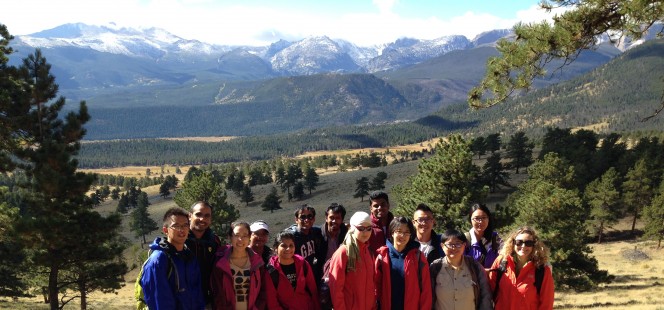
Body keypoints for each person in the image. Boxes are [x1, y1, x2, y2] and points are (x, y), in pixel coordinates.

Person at [140, 207, 205, 309]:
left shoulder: (189, 257)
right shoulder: (158, 260)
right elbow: (159, 301)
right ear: (166, 230)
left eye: (185, 225)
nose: (181, 230)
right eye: (176, 226)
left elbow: (198, 294)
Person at [489, 226, 554, 310]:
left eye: (528, 243)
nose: (523, 246)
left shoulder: (542, 270)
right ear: (513, 243)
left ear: (534, 245)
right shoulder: (501, 262)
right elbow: (489, 291)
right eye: (519, 242)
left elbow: (546, 303)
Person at [374, 217, 432, 310]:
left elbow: (426, 290)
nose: (402, 235)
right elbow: (376, 288)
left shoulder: (418, 257)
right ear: (392, 233)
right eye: (399, 231)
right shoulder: (382, 256)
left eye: (406, 232)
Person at [430, 229, 492, 310]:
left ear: (464, 245)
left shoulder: (474, 266)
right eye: (449, 244)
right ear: (442, 246)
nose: (454, 247)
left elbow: (485, 295)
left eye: (458, 244)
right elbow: (428, 296)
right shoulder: (435, 267)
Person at [210, 221, 265, 310]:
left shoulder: (257, 261)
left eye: (244, 236)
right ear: (230, 237)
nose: (240, 239)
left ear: (249, 237)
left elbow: (263, 291)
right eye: (236, 235)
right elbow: (217, 293)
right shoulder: (220, 262)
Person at [328, 211, 376, 310]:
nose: (365, 232)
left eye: (369, 228)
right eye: (361, 228)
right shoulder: (343, 253)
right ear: (352, 228)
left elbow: (371, 285)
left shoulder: (368, 251)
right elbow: (336, 289)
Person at [264, 231, 321, 310]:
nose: (288, 249)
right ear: (276, 248)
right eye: (284, 245)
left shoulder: (303, 264)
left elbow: (313, 291)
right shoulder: (271, 271)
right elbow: (272, 303)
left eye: (291, 245)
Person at [186, 201, 222, 307]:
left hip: (207, 300)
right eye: (198, 214)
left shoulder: (214, 241)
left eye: (207, 216)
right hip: (183, 302)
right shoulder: (180, 239)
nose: (202, 219)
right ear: (189, 216)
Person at [287, 204, 325, 283]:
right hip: (295, 277)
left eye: (309, 217)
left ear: (314, 219)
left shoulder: (314, 232)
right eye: (303, 217)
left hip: (310, 275)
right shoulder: (291, 237)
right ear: (296, 219)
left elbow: (327, 228)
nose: (306, 220)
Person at [465, 203, 502, 269]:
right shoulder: (465, 240)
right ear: (470, 220)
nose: (480, 221)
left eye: (484, 217)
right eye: (476, 218)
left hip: (491, 278)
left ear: (488, 219)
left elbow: (504, 257)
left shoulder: (495, 238)